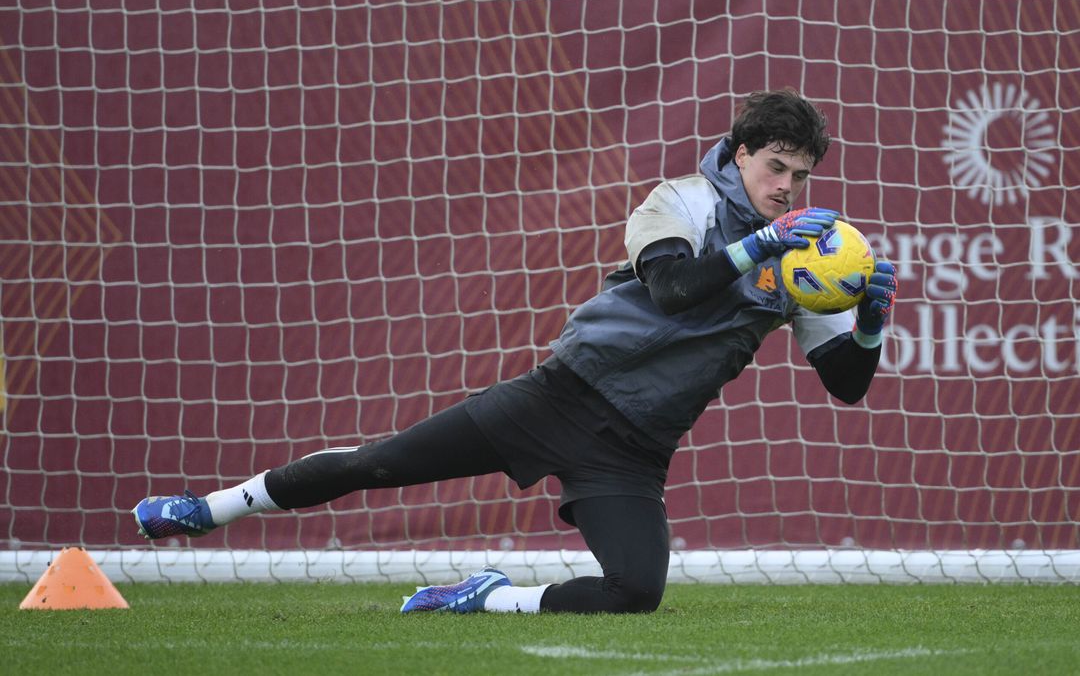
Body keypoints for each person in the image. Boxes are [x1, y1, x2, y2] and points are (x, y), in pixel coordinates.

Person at [133, 89, 897, 614]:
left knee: (636, 592)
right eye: (775, 167)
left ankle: (491, 598)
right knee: (380, 464)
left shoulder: (804, 261)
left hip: (634, 450)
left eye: (800, 176)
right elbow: (671, 289)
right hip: (558, 397)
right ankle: (208, 509)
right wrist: (757, 245)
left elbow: (847, 384)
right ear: (739, 154)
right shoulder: (682, 201)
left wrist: (868, 321)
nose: (787, 186)